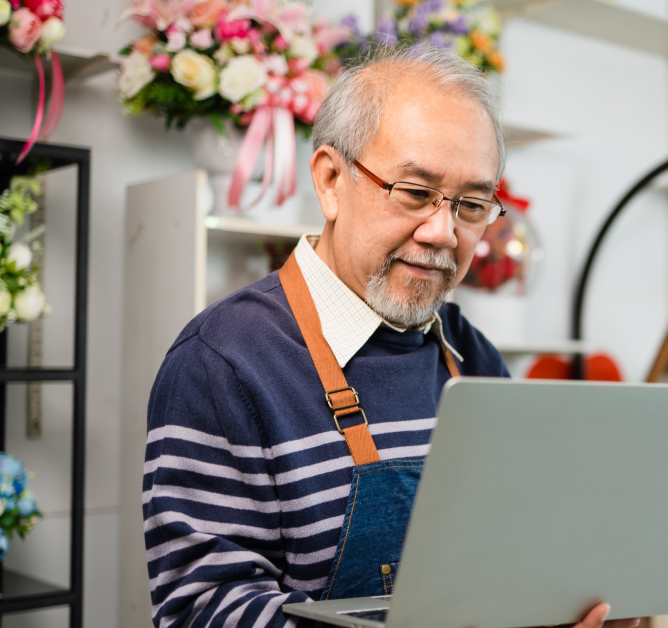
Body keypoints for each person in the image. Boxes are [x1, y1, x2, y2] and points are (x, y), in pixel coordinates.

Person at [142, 45, 639, 628]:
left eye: (472, 205)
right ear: (331, 181)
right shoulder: (222, 362)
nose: (443, 232)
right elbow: (203, 610)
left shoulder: (469, 355)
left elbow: (512, 555)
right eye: (414, 192)